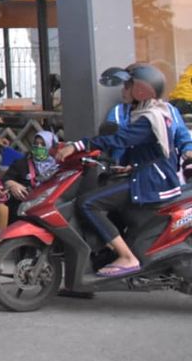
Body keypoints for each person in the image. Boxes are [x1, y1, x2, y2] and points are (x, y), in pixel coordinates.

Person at [57, 64, 184, 277]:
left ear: (141, 90)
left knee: (87, 203)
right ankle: (107, 253)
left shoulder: (148, 119)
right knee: (105, 189)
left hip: (151, 182)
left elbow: (119, 139)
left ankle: (127, 257)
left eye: (127, 85)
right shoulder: (148, 112)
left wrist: (78, 145)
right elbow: (145, 150)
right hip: (147, 175)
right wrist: (129, 164)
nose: (123, 90)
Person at [3, 130, 61, 216]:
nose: (39, 147)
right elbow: (5, 178)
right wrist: (12, 184)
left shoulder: (59, 165)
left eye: (43, 144)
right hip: (24, 207)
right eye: (36, 144)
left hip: (50, 205)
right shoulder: (22, 163)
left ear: (52, 147)